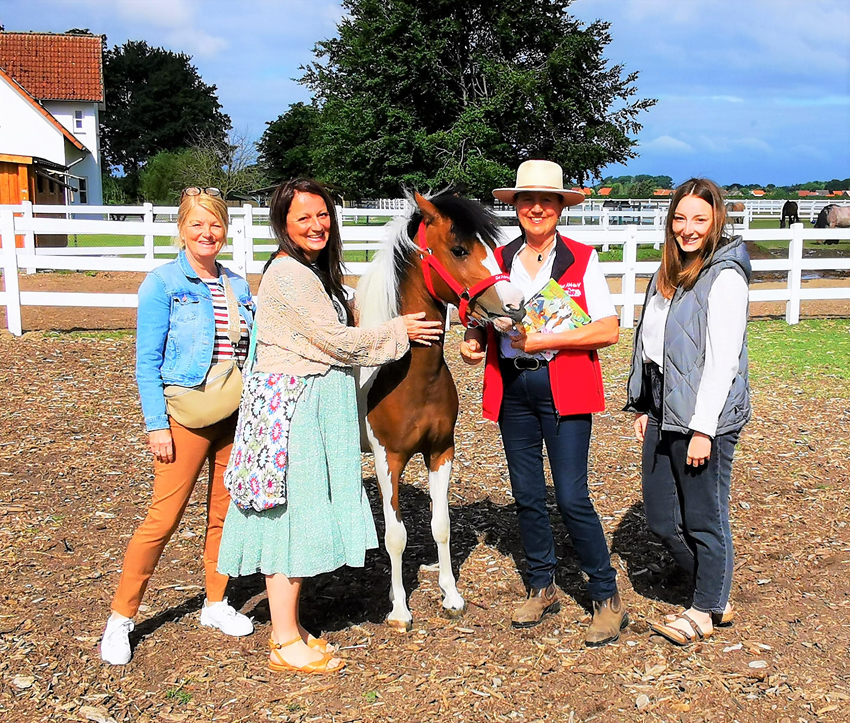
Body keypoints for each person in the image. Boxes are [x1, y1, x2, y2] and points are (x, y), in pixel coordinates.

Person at [216, 178, 442, 674]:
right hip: (296, 410)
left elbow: (347, 316)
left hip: (310, 404)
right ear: (284, 224)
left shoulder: (313, 272)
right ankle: (283, 641)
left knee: (298, 516)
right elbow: (336, 341)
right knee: (290, 522)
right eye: (303, 217)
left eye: (322, 215)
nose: (317, 225)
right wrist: (399, 330)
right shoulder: (289, 275)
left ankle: (290, 629)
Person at [460, 160, 628, 647]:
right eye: (527, 200)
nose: (537, 208)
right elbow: (479, 316)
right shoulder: (497, 258)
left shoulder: (581, 259)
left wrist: (547, 340)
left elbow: (608, 330)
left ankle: (606, 596)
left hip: (564, 386)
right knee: (528, 494)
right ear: (515, 207)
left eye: (547, 200)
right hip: (514, 386)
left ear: (560, 207)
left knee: (572, 496)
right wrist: (473, 341)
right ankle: (542, 585)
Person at [101, 188, 256, 666]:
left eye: (215, 225)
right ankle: (121, 618)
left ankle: (216, 601)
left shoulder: (237, 284)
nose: (207, 233)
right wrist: (156, 425)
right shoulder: (163, 283)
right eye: (197, 225)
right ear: (182, 230)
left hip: (235, 414)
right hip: (184, 416)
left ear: (226, 230)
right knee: (163, 518)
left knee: (225, 514)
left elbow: (249, 350)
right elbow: (146, 361)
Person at [625, 178, 751, 646]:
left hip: (703, 412)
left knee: (703, 516)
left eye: (699, 218)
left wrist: (704, 430)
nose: (688, 228)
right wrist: (644, 402)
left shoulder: (725, 276)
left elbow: (722, 361)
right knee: (661, 518)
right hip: (663, 405)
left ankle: (703, 610)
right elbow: (651, 344)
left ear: (716, 219)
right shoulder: (668, 273)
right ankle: (714, 589)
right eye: (680, 217)